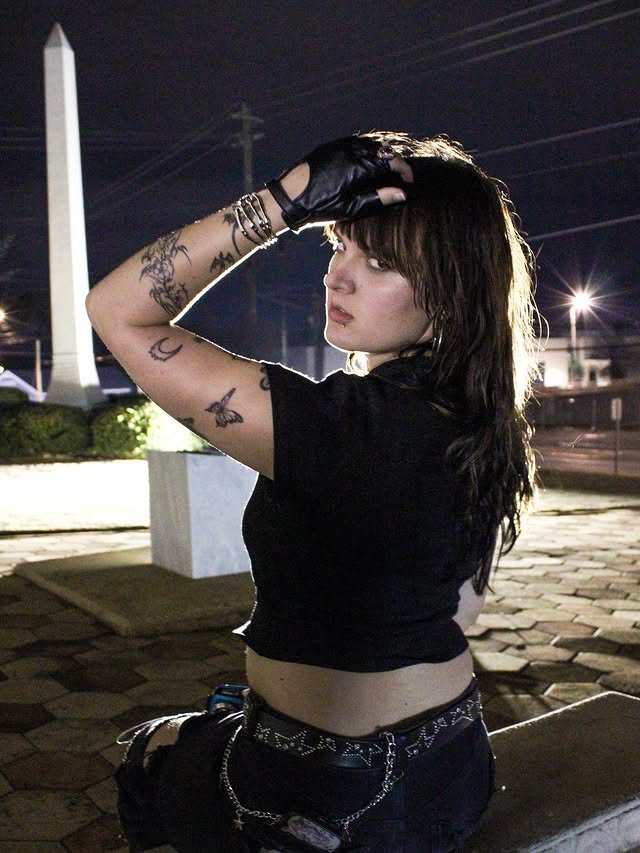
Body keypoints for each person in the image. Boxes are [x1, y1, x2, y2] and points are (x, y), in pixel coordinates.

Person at [86, 132, 538, 852]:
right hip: (454, 761)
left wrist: (280, 204)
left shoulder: (348, 428)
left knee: (150, 752)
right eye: (339, 246)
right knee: (216, 721)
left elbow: (118, 310)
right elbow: (463, 606)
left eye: (381, 262)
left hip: (331, 795)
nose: (340, 276)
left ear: (452, 288)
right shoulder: (483, 421)